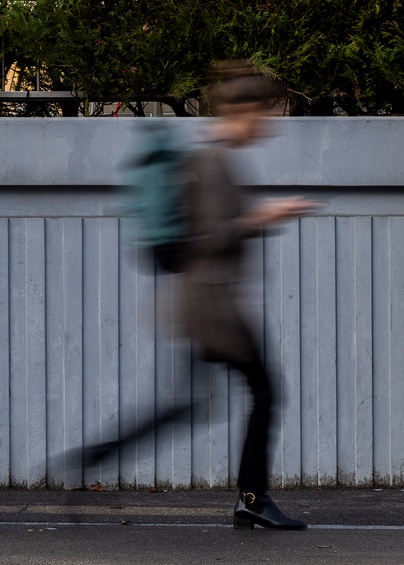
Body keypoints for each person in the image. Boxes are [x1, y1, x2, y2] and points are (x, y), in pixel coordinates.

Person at [78, 62, 318, 530]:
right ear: (245, 111)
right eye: (266, 115)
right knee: (265, 391)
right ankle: (252, 498)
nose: (269, 125)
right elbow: (210, 237)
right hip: (211, 306)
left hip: (203, 304)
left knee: (188, 403)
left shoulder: (212, 157)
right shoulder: (212, 161)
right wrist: (263, 217)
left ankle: (99, 453)